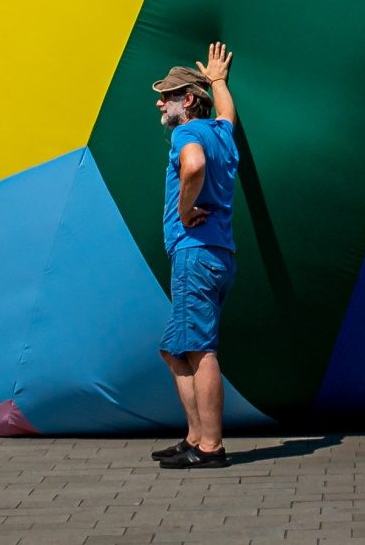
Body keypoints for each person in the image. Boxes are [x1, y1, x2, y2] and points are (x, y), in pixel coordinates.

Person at [151, 40, 238, 469]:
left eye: (166, 96)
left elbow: (194, 166)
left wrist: (185, 211)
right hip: (219, 255)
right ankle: (195, 436)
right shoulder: (220, 132)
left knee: (201, 350)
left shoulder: (187, 133)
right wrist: (219, 80)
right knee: (174, 348)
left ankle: (211, 447)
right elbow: (227, 115)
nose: (159, 104)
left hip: (195, 253)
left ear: (187, 101)